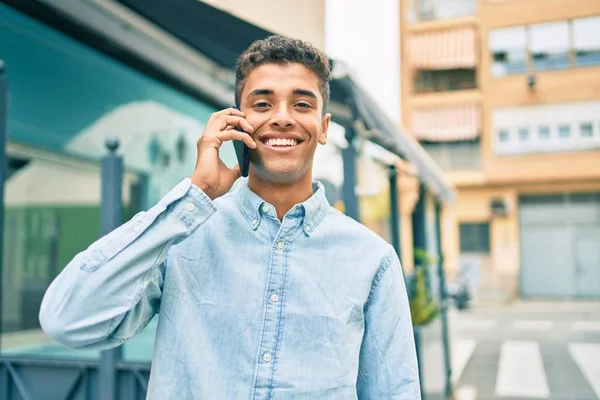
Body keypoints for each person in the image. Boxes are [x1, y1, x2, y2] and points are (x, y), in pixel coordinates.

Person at [40, 35, 420, 399]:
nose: (283, 118)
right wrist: (196, 194)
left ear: (323, 128)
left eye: (302, 104)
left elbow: (395, 391)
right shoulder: (183, 234)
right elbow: (66, 320)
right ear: (237, 120)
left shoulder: (373, 259)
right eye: (263, 104)